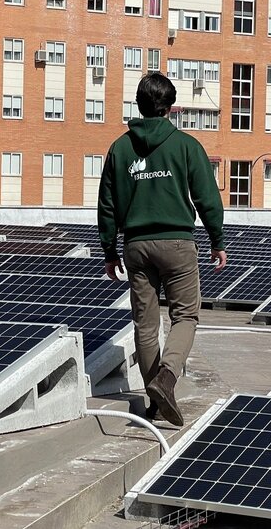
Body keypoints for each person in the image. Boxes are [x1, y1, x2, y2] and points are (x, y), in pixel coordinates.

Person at [97, 72, 226, 427]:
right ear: (171, 107)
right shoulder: (186, 145)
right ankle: (166, 379)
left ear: (138, 106)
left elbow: (106, 204)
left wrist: (109, 250)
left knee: (145, 323)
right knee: (185, 316)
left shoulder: (120, 148)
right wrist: (217, 240)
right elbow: (207, 197)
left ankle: (153, 401)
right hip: (177, 243)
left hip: (135, 246)